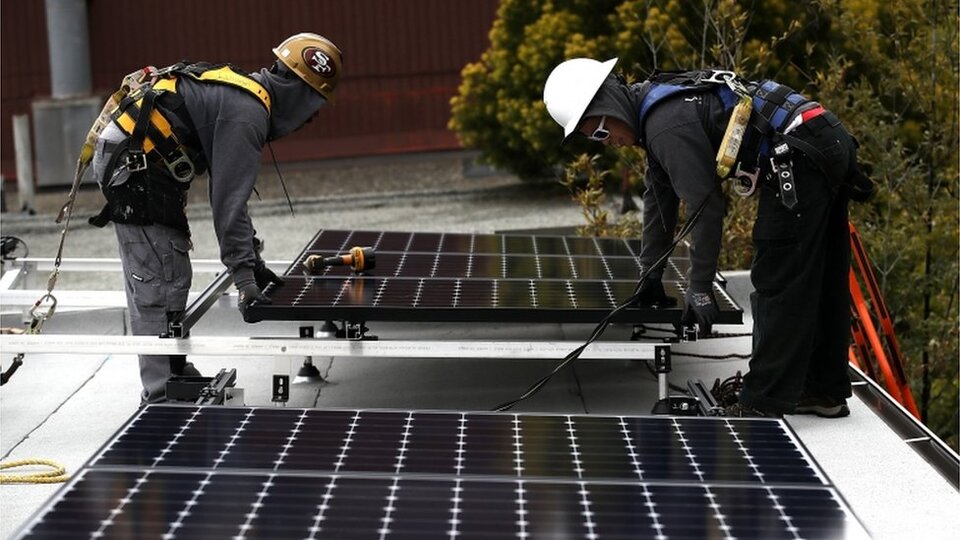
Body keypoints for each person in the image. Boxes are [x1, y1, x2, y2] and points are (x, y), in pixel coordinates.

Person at [543, 58, 872, 418]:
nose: (608, 144)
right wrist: (650, 275)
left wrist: (699, 288)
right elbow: (659, 202)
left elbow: (705, 207)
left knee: (777, 278)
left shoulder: (665, 124)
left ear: (608, 104)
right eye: (595, 140)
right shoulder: (656, 111)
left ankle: (761, 403)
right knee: (818, 277)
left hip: (801, 154)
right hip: (822, 139)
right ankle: (823, 391)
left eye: (602, 133)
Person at [88, 33, 343, 404]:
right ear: (301, 94)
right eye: (315, 105)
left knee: (168, 268)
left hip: (140, 158)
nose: (312, 117)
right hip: (135, 163)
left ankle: (171, 369)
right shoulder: (248, 114)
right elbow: (228, 204)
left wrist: (252, 262)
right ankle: (161, 391)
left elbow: (232, 197)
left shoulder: (248, 97)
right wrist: (244, 278)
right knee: (159, 276)